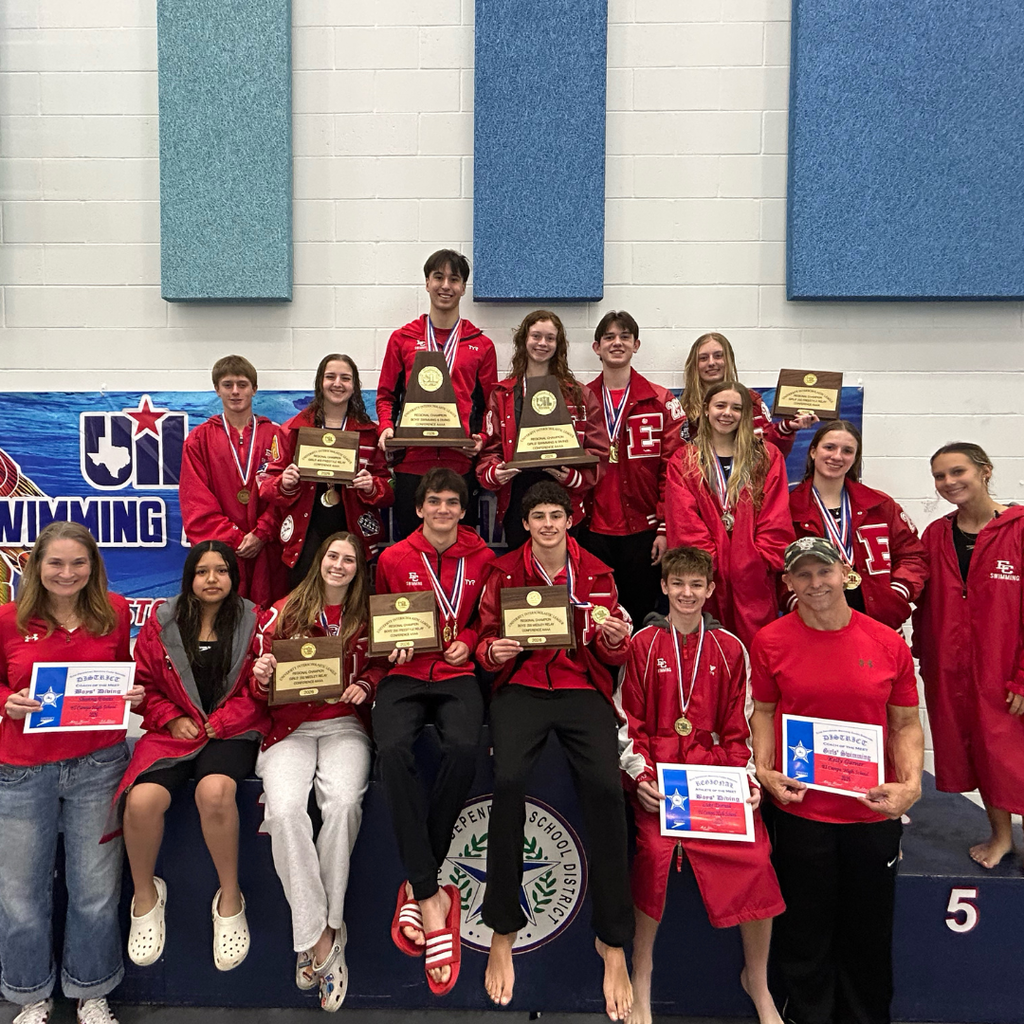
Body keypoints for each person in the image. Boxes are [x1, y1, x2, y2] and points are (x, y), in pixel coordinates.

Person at [475, 481, 634, 1020]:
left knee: (608, 792)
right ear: (524, 524)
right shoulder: (502, 572)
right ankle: (502, 927)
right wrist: (493, 651)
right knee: (509, 782)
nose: (547, 524)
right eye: (538, 516)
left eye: (556, 516)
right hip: (521, 688)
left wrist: (615, 638)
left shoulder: (598, 573)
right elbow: (484, 640)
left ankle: (612, 940)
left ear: (570, 520)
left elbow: (614, 653)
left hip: (580, 688)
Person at [751, 537, 924, 1024]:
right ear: (788, 583)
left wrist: (910, 785)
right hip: (801, 810)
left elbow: (906, 724)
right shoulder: (770, 640)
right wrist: (764, 769)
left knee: (868, 934)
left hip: (871, 812)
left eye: (823, 572)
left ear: (845, 573)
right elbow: (763, 712)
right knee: (804, 932)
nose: (815, 583)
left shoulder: (887, 642)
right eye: (802, 575)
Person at [619, 546, 784, 1024]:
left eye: (697, 585)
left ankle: (757, 978)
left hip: (717, 778)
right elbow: (627, 722)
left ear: (710, 590)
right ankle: (642, 970)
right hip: (661, 777)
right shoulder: (643, 644)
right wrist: (642, 778)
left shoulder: (732, 648)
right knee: (653, 855)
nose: (687, 593)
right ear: (665, 587)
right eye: (678, 584)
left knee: (756, 854)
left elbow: (742, 728)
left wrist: (748, 781)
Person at [0, 522, 143, 1024]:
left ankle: (91, 991)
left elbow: (126, 671)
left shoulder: (116, 613)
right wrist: (7, 701)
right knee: (19, 894)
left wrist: (134, 694)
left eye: (78, 563)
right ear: (36, 565)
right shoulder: (8, 620)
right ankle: (29, 995)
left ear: (93, 567)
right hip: (21, 772)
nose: (67, 573)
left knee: (96, 891)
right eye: (56, 563)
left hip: (99, 766)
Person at [111, 541, 266, 974]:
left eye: (221, 571)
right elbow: (145, 686)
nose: (212, 579)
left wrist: (225, 720)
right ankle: (146, 897)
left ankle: (230, 898)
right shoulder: (163, 621)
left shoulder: (256, 621)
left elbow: (263, 692)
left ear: (234, 577)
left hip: (230, 731)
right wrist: (171, 716)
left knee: (216, 792)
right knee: (141, 801)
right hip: (173, 731)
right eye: (202, 571)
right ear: (189, 577)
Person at [372, 468, 495, 996]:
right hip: (403, 675)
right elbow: (381, 621)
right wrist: (390, 647)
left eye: (452, 502)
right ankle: (432, 897)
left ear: (463, 510)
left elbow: (487, 620)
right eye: (434, 502)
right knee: (392, 749)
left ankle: (421, 885)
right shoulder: (393, 558)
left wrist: (468, 639)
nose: (443, 510)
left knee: (466, 747)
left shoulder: (483, 558)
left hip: (456, 673)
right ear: (418, 508)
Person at [251, 532, 380, 1011]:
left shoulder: (368, 614)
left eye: (349, 559)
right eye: (332, 556)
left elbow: (384, 665)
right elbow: (253, 671)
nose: (340, 565)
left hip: (345, 725)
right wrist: (261, 673)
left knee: (343, 803)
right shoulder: (282, 611)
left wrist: (366, 682)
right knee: (285, 812)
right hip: (290, 727)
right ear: (319, 561)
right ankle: (322, 937)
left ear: (358, 568)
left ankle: (321, 931)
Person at [913, 443, 1024, 868]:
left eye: (957, 472)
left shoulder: (1016, 529)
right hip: (954, 667)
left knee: (1011, 754)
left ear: (985, 471)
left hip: (1007, 667)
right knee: (984, 754)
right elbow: (927, 606)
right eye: (940, 476)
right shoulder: (937, 535)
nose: (949, 483)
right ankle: (1001, 836)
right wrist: (925, 655)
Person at [376, 249, 498, 538]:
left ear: (464, 288)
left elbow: (490, 407)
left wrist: (481, 438)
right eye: (439, 277)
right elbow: (386, 397)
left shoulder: (481, 345)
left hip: (460, 463)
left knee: (458, 548)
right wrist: (386, 429)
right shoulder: (402, 339)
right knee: (409, 550)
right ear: (427, 282)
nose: (446, 285)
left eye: (454, 279)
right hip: (412, 463)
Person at [665, 382, 794, 648]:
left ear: (746, 414)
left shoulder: (766, 457)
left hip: (753, 575)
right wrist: (710, 564)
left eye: (736, 408)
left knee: (757, 647)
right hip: (705, 576)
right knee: (707, 649)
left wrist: (756, 560)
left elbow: (775, 516)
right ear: (706, 409)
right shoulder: (684, 460)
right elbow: (683, 519)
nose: (727, 413)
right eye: (720, 406)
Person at [579, 310, 685, 627]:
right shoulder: (579, 400)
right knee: (596, 618)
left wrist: (665, 529)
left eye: (625, 336)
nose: (617, 342)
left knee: (640, 615)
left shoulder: (661, 401)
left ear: (636, 345)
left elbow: (673, 472)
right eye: (609, 337)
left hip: (644, 529)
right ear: (596, 347)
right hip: (591, 527)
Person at [477, 310, 609, 550]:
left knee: (563, 576)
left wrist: (573, 477)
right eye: (536, 336)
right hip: (517, 498)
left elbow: (599, 453)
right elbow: (490, 450)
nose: (542, 343)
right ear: (523, 340)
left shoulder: (580, 395)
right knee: (522, 578)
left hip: (565, 496)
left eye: (550, 338)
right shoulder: (502, 395)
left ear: (558, 345)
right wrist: (495, 472)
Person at [261, 354, 393, 588]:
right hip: (305, 533)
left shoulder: (370, 433)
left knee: (351, 604)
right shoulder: (292, 430)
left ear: (354, 386)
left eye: (345, 378)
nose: (337, 383)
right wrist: (285, 483)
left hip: (353, 530)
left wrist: (373, 486)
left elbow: (389, 488)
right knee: (303, 602)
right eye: (330, 377)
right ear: (319, 383)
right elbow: (266, 485)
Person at [787, 420, 928, 631]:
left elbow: (913, 556)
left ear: (854, 458)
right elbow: (774, 568)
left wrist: (896, 593)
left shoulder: (880, 505)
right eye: (829, 447)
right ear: (813, 452)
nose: (837, 456)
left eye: (847, 451)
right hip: (812, 626)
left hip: (880, 625)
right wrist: (798, 603)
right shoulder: (789, 508)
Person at [178, 355, 287, 606]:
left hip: (268, 550)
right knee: (223, 618)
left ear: (254, 389)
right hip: (221, 553)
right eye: (228, 385)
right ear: (217, 390)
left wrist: (262, 533)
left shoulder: (275, 436)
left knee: (270, 618)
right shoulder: (199, 440)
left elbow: (287, 494)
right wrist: (235, 539)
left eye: (242, 384)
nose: (235, 392)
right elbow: (196, 502)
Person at [679, 332, 817, 453]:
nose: (711, 363)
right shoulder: (683, 408)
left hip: (749, 478)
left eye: (718, 356)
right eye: (703, 358)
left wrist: (786, 428)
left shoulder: (751, 401)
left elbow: (770, 450)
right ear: (694, 365)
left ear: (729, 360)